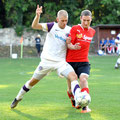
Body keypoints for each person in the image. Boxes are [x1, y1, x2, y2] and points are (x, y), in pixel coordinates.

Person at [10, 5, 83, 109]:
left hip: (60, 63)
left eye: (66, 20)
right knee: (32, 82)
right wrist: (37, 15)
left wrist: (73, 46)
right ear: (57, 19)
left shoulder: (69, 30)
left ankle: (78, 99)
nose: (64, 23)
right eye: (62, 20)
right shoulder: (51, 26)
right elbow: (34, 26)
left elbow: (69, 45)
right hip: (46, 62)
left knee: (74, 77)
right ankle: (18, 98)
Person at [66, 10, 95, 113]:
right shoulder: (75, 29)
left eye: (88, 20)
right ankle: (72, 97)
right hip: (70, 62)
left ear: (91, 19)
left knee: (83, 80)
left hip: (83, 62)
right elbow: (68, 44)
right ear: (80, 19)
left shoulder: (92, 31)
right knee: (70, 89)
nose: (86, 23)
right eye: (84, 20)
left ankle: (85, 106)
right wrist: (73, 47)